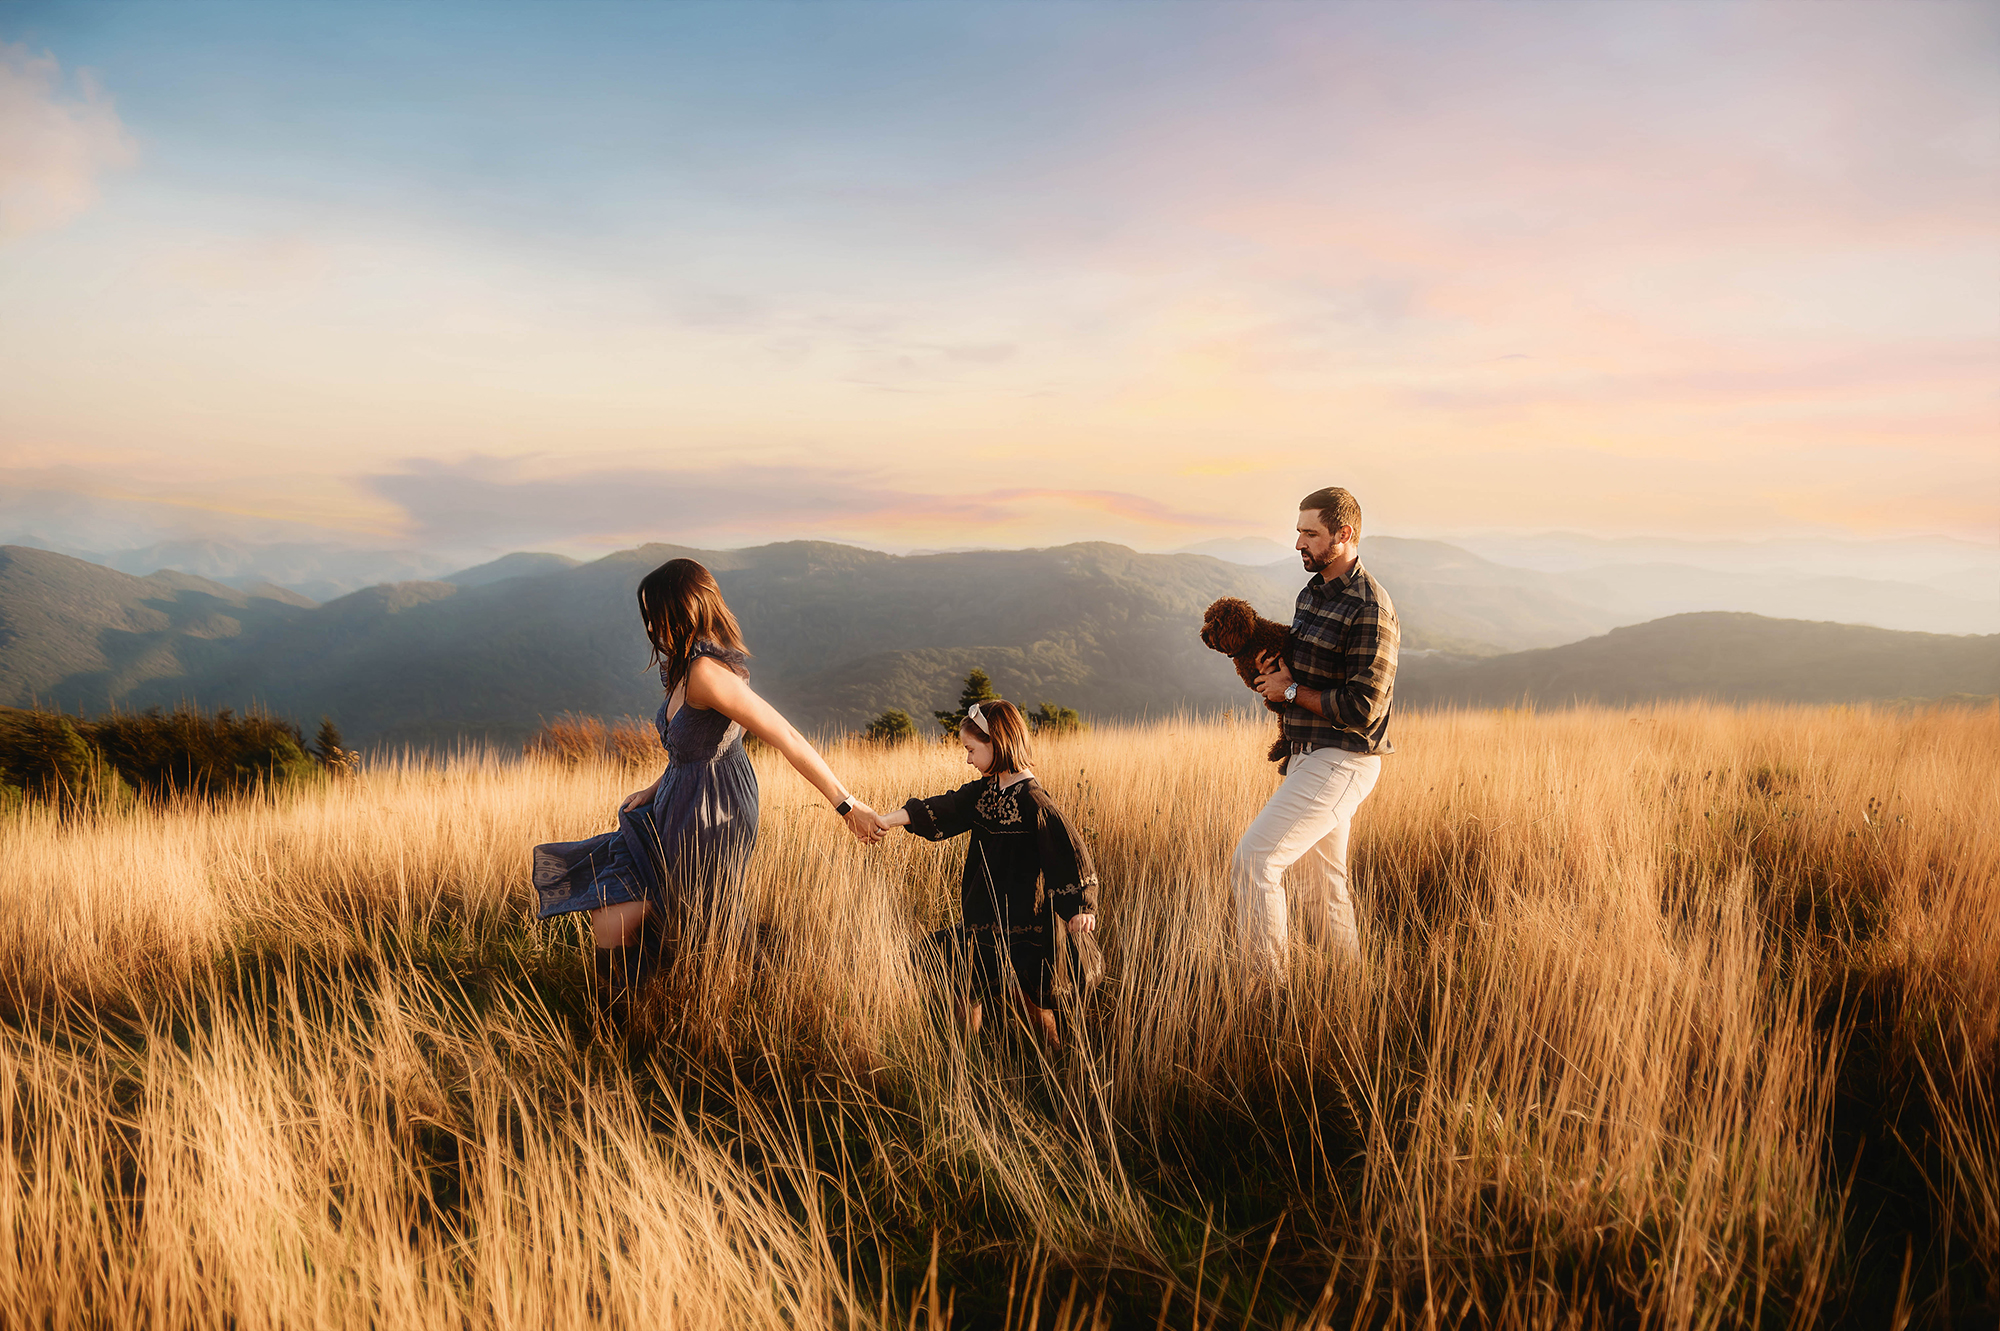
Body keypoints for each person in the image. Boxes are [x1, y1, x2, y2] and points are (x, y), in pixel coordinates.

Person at [532, 557, 881, 1012]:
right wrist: (657, 786)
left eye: (658, 613)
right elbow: (691, 743)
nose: (652, 625)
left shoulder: (707, 674)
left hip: (714, 811)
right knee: (612, 913)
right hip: (677, 800)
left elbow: (788, 737)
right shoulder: (679, 667)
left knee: (694, 919)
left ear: (687, 608)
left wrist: (847, 806)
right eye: (648, 615)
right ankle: (627, 1025)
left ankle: (750, 997)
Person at [866, 699, 1100, 1046]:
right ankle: (966, 1060)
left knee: (1031, 1000)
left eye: (971, 749)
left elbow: (1068, 850)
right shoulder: (988, 791)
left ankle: (1055, 1060)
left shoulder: (1033, 800)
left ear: (998, 744)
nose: (968, 758)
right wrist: (886, 820)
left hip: (1017, 923)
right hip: (981, 916)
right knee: (960, 977)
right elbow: (947, 806)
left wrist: (1080, 906)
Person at [1233, 486, 1399, 972]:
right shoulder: (1312, 594)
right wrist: (1265, 669)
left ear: (1343, 535)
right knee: (1322, 885)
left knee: (1254, 862)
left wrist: (1289, 693)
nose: (1299, 543)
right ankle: (1349, 992)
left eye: (1311, 533)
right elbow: (1302, 673)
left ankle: (1266, 995)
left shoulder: (1369, 607)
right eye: (1299, 532)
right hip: (1308, 755)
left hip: (1343, 760)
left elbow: (1364, 706)